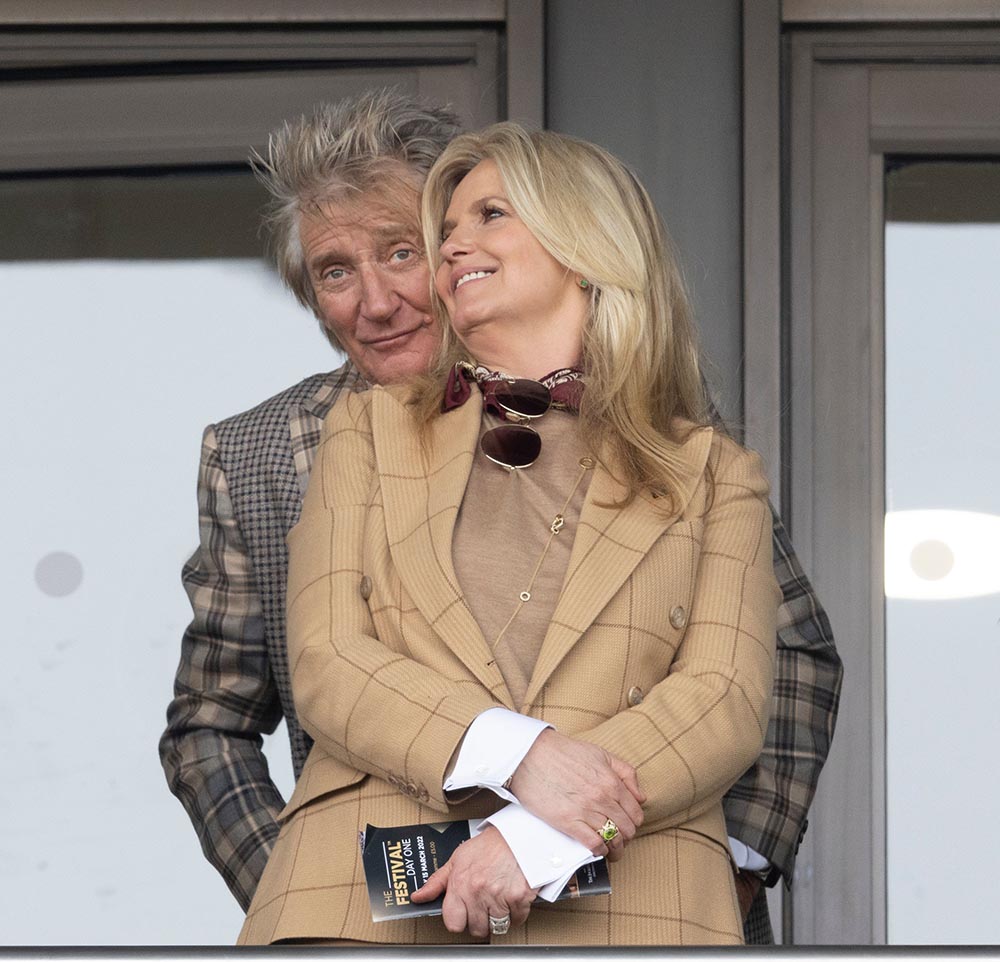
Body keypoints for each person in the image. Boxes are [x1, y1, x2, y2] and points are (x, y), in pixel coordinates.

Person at [159, 91, 842, 945]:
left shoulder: (655, 431)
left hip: (631, 881)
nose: (374, 302)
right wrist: (329, 883)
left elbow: (778, 659)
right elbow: (210, 725)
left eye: (402, 251)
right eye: (335, 271)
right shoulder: (261, 451)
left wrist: (719, 869)